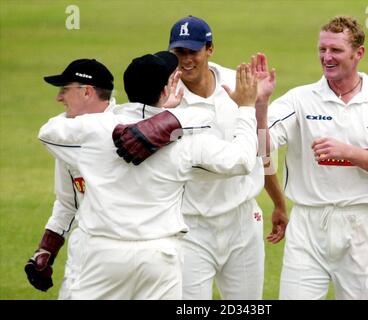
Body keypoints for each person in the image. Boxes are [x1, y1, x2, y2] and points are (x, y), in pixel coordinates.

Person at [35, 51, 260, 299]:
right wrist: (247, 107)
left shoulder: (98, 129)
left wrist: (157, 123)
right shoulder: (184, 142)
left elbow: (48, 132)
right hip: (160, 257)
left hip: (102, 256)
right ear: (167, 90)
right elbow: (243, 160)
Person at [257, 15, 368, 300]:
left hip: (364, 226)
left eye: (335, 50)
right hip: (308, 226)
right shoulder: (300, 99)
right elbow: (261, 146)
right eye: (322, 50)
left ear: (359, 53)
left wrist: (349, 153)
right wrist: (260, 106)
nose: (326, 57)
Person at [167, 16, 286, 299]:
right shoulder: (167, 95)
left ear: (209, 49)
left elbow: (261, 150)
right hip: (190, 227)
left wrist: (278, 202)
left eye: (192, 52)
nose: (186, 61)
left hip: (243, 221)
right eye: (179, 53)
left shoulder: (240, 83)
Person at [24, 59, 115, 296]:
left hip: (133, 253)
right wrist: (46, 249)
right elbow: (68, 202)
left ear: (87, 91)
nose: (59, 97)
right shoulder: (68, 136)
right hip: (87, 253)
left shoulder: (134, 129)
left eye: (65, 89)